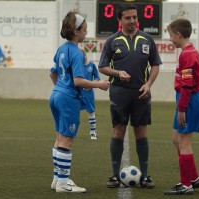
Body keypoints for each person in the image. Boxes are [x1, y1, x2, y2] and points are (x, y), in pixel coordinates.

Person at [98, 4, 162, 189]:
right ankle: (114, 175)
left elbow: (156, 65)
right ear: (120, 20)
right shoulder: (112, 41)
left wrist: (148, 84)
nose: (132, 21)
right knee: (118, 131)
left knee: (141, 132)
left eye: (134, 17)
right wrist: (117, 73)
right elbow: (102, 67)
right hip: (119, 93)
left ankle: (145, 177)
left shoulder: (147, 39)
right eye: (128, 18)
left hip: (141, 93)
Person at [49, 10, 110, 193]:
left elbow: (52, 72)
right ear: (76, 31)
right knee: (66, 140)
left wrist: (60, 87)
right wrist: (99, 84)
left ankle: (57, 179)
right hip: (67, 99)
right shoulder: (76, 52)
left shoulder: (62, 49)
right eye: (84, 29)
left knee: (59, 138)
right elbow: (78, 81)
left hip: (56, 95)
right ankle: (63, 183)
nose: (86, 32)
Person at [164, 18, 199, 195]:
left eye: (171, 35)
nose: (170, 39)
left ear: (179, 35)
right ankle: (194, 178)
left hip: (189, 100)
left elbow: (187, 85)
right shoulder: (189, 51)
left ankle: (186, 184)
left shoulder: (187, 54)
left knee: (184, 142)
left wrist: (182, 109)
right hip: (186, 99)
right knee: (176, 139)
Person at [80, 48, 100, 140]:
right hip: (77, 92)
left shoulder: (91, 65)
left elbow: (97, 77)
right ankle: (71, 131)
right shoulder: (76, 65)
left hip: (88, 93)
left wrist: (91, 84)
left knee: (91, 112)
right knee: (74, 111)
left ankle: (93, 133)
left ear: (85, 54)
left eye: (83, 54)